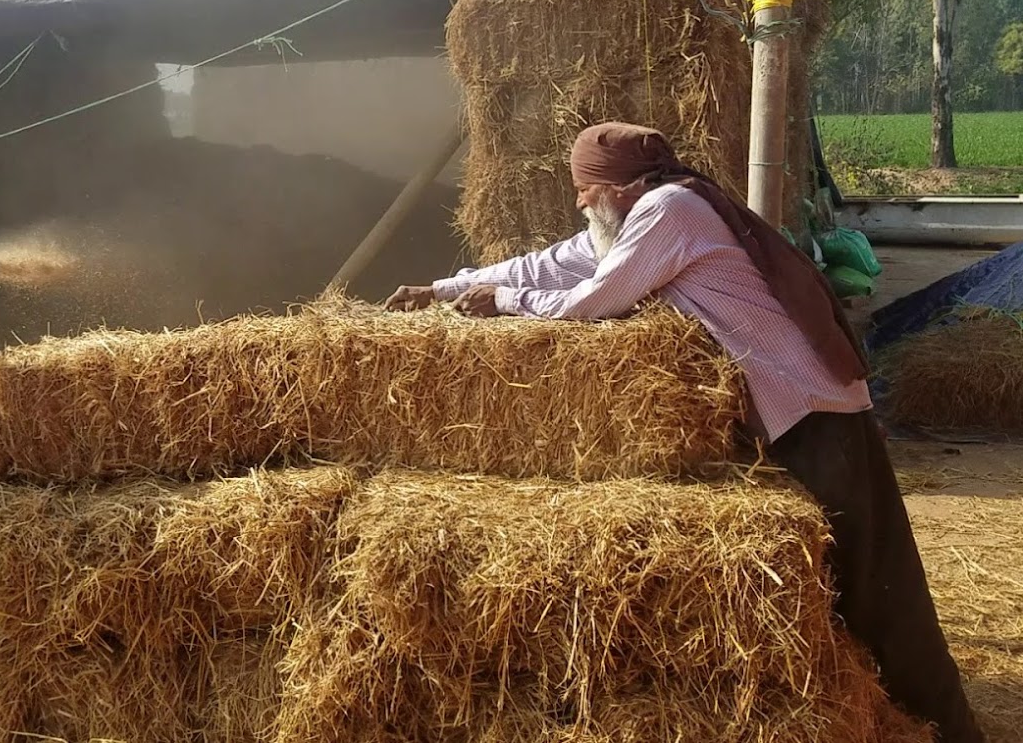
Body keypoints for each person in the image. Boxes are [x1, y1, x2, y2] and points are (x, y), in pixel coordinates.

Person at [386, 122, 983, 743]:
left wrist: (504, 303)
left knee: (878, 586)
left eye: (586, 192)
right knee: (838, 580)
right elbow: (555, 262)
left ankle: (951, 729)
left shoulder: (670, 210)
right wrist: (445, 288)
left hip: (815, 410)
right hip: (799, 410)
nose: (580, 204)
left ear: (619, 188)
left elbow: (593, 300)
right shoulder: (648, 214)